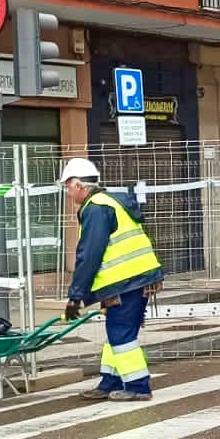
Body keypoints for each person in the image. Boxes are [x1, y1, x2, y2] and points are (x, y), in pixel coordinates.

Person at [59, 157, 164, 401]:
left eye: (68, 186)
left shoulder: (96, 209)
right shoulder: (110, 201)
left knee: (121, 332)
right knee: (118, 332)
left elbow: (89, 256)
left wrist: (75, 297)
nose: (67, 192)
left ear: (79, 185)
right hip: (137, 277)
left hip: (127, 281)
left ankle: (138, 387)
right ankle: (110, 381)